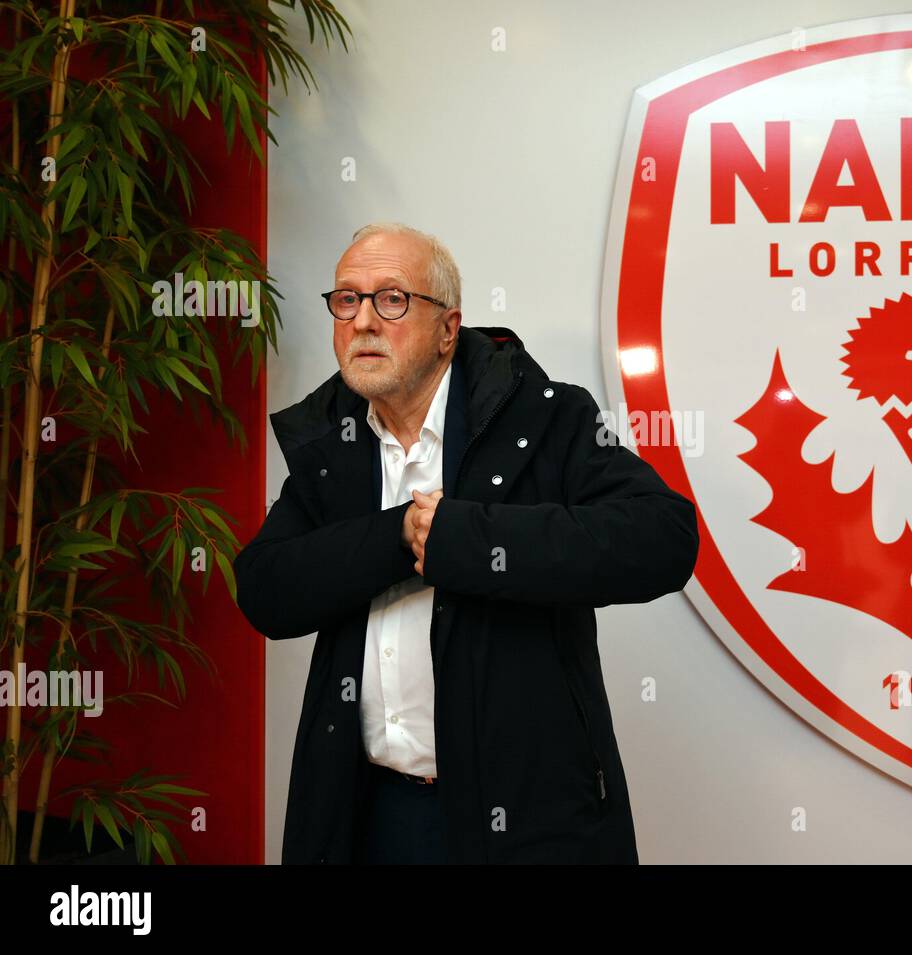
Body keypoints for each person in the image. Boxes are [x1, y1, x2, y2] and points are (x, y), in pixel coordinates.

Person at [232, 222, 699, 863]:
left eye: (391, 299)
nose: (363, 321)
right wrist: (400, 533)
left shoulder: (548, 417)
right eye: (346, 299)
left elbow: (663, 538)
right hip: (369, 812)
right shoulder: (328, 446)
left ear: (448, 328)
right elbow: (266, 590)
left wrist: (461, 539)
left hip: (520, 823)